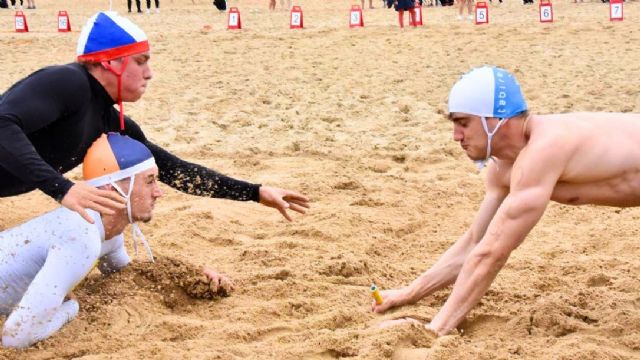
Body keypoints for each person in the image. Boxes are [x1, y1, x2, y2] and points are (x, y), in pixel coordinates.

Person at [371, 66, 640, 336]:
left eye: (463, 123)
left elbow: (493, 252)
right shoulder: (502, 169)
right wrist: (408, 293)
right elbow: (476, 242)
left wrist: (435, 329)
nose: (456, 135)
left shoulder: (545, 148)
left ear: (496, 120)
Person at [0, 11, 309, 228]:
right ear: (109, 63)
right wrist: (63, 188)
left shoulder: (110, 121)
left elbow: (176, 172)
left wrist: (255, 192)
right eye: (140, 61)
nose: (149, 73)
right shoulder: (68, 81)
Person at [1, 133, 235, 349]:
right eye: (150, 181)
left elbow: (131, 274)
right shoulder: (82, 235)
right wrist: (72, 308)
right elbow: (16, 337)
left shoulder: (105, 233)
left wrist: (194, 275)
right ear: (113, 188)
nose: (158, 192)